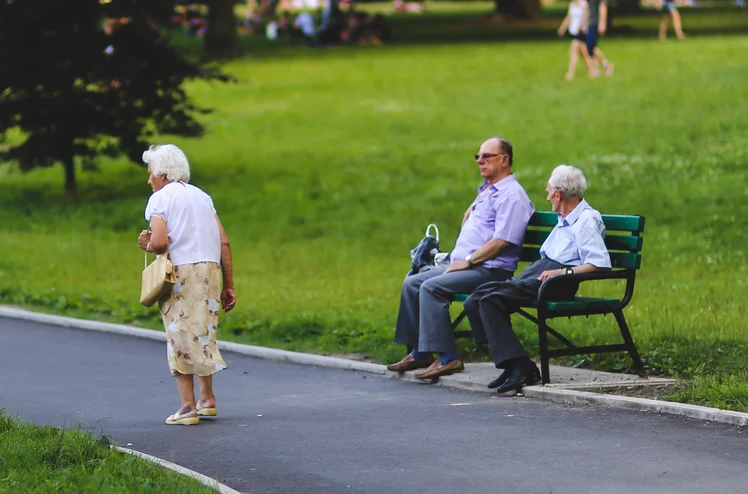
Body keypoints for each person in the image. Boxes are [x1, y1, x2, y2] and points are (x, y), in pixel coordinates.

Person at [386, 137, 535, 380]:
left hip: (489, 269)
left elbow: (503, 241)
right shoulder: (488, 191)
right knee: (412, 281)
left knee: (431, 287)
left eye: (487, 156)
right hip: (468, 264)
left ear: (504, 160)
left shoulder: (512, 196)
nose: (480, 161)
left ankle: (448, 358)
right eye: (478, 156)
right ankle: (420, 351)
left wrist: (468, 261)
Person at [464, 165, 611, 394]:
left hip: (557, 281)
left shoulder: (586, 219)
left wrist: (563, 273)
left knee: (491, 300)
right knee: (476, 298)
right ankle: (512, 364)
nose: (547, 196)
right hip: (542, 273)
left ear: (558, 194)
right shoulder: (565, 218)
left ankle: (522, 367)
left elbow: (600, 263)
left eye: (549, 191)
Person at [137, 145, 237, 426]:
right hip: (210, 270)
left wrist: (147, 243)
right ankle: (207, 400)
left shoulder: (159, 199)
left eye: (150, 175)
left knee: (179, 335)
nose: (149, 181)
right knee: (202, 332)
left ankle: (187, 408)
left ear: (163, 174)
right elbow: (224, 243)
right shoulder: (203, 197)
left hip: (180, 273)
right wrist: (229, 285)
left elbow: (159, 242)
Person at [557, 0, 593, 80]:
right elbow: (569, 17)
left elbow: (586, 16)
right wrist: (563, 27)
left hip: (580, 32)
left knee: (573, 51)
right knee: (584, 54)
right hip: (574, 31)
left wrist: (582, 26)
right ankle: (592, 71)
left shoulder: (583, 4)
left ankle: (570, 74)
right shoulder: (572, 4)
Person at [586, 0, 614, 77]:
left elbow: (603, 6)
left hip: (596, 23)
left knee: (589, 46)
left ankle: (607, 64)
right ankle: (596, 70)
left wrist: (602, 23)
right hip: (591, 22)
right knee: (592, 46)